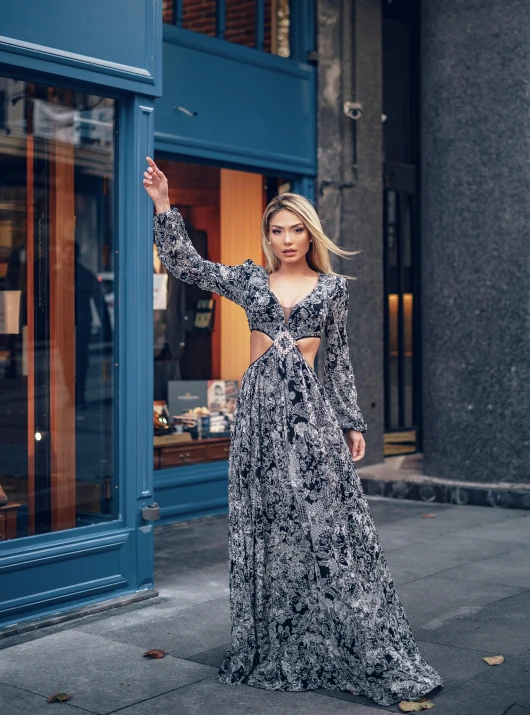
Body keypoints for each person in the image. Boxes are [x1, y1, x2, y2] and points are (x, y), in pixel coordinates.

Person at [143, 157, 443, 707]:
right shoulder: (249, 279)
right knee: (273, 530)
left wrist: (352, 421)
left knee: (330, 530)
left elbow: (340, 363)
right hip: (259, 421)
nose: (286, 239)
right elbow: (187, 266)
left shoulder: (332, 290)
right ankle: (281, 641)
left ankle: (350, 640)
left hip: (311, 422)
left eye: (295, 229)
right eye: (277, 230)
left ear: (311, 232)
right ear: (268, 236)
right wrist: (165, 205)